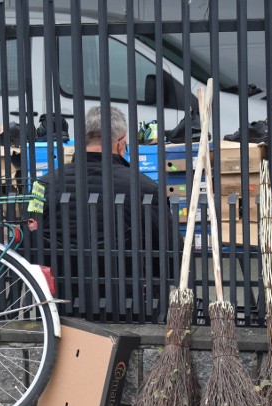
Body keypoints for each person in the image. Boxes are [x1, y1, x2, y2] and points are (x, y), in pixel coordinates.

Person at [38, 106, 179, 305]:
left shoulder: (43, 184)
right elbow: (172, 251)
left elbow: (30, 240)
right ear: (121, 144)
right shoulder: (145, 188)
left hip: (60, 303)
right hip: (128, 304)